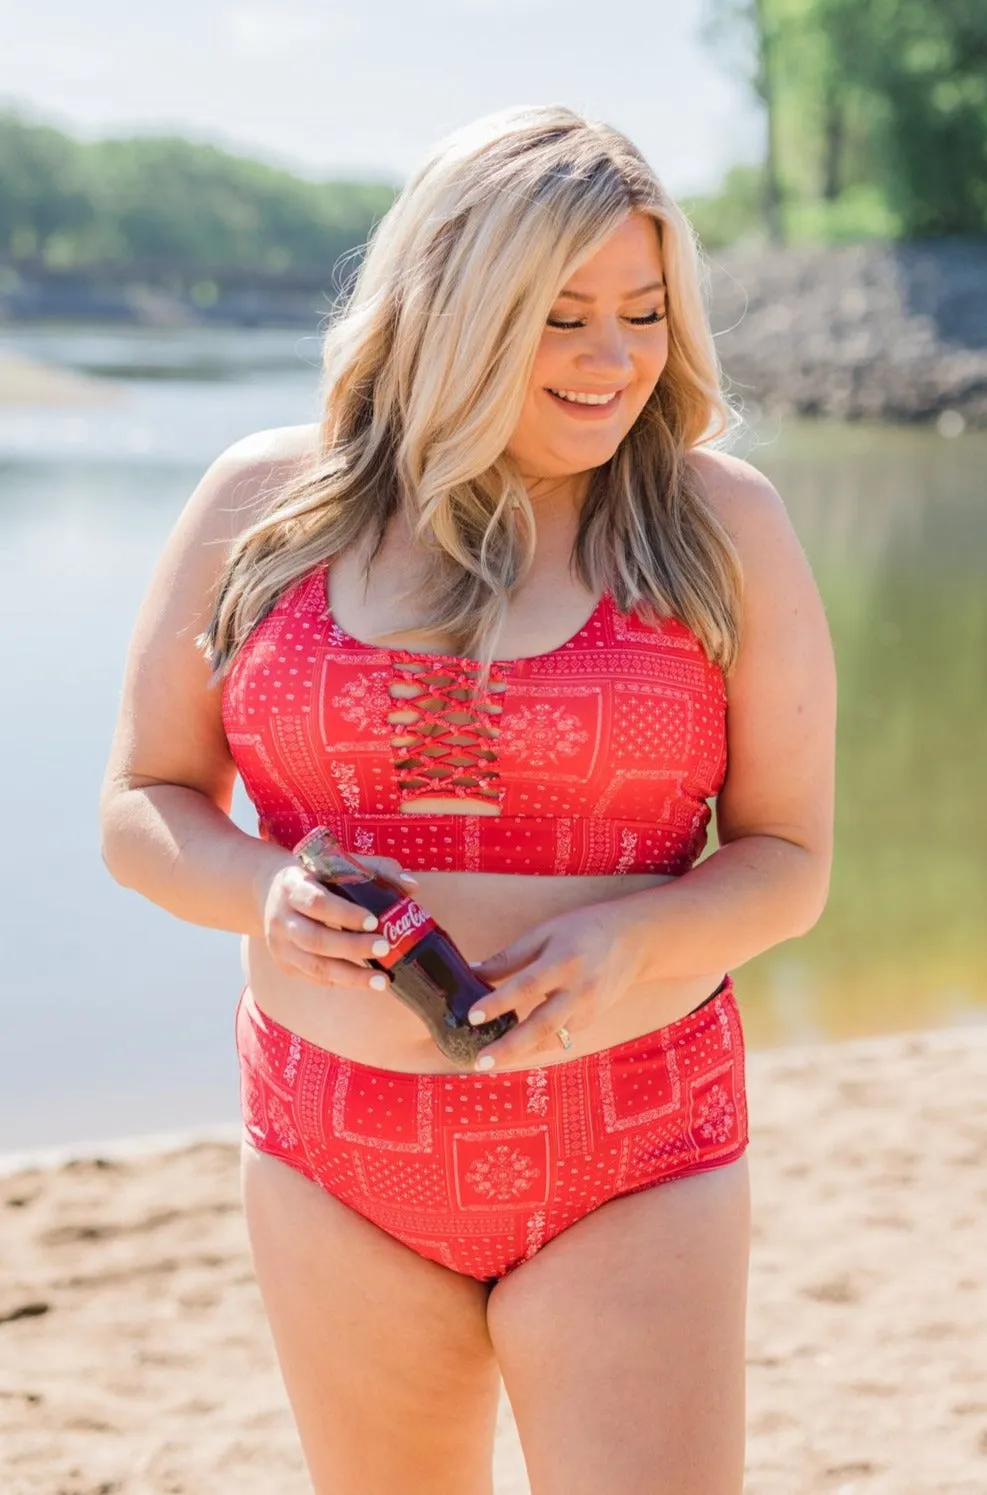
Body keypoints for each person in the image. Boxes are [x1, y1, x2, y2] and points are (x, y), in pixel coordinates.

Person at [99, 104, 836, 1495]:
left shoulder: (718, 523)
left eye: (643, 311)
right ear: (451, 307)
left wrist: (636, 936)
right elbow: (142, 801)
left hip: (631, 1149)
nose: (615, 360)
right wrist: (263, 888)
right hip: (328, 1157)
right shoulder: (264, 504)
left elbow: (788, 860)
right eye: (562, 317)